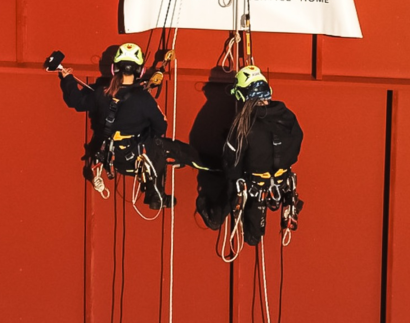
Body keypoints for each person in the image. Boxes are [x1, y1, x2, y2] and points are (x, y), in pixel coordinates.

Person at [57, 42, 201, 210]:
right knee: (167, 148)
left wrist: (68, 80)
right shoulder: (144, 99)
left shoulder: (101, 93)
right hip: (136, 158)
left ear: (114, 68)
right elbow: (160, 127)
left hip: (111, 159)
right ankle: (156, 193)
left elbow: (76, 101)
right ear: (139, 70)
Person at [217, 65, 304, 245]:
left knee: (252, 236)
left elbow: (231, 162)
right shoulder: (288, 116)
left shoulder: (242, 126)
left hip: (254, 187)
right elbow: (296, 141)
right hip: (282, 181)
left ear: (241, 95)